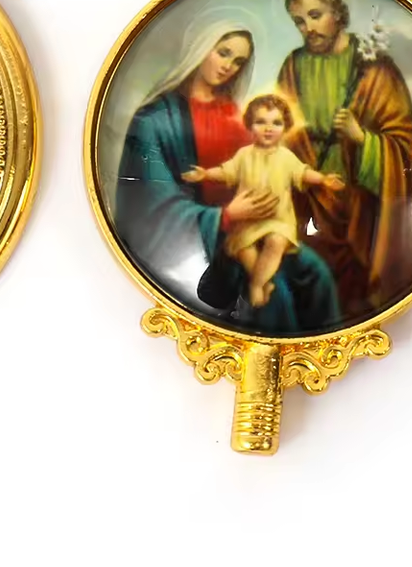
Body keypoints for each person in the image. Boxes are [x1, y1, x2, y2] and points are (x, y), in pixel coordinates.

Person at [115, 20, 340, 335]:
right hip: (208, 236)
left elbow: (266, 167)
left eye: (238, 62)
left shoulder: (239, 119)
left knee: (317, 276)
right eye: (223, 53)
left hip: (259, 226)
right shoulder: (154, 122)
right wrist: (226, 215)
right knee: (275, 296)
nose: (228, 67)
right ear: (200, 48)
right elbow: (150, 207)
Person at [276, 0, 412, 319]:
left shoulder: (375, 69)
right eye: (299, 21)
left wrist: (361, 138)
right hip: (307, 196)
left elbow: (411, 152)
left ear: (338, 14)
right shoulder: (293, 66)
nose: (308, 27)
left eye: (315, 15)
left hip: (360, 205)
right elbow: (280, 128)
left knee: (352, 295)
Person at [182, 94, 344, 308]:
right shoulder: (244, 155)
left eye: (276, 123)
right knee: (243, 250)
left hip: (278, 220)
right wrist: (205, 174)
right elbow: (226, 172)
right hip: (248, 222)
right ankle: (262, 282)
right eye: (261, 122)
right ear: (250, 125)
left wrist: (323, 179)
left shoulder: (286, 157)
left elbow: (303, 173)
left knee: (275, 241)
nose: (268, 128)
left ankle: (256, 285)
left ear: (286, 127)